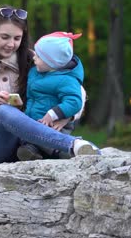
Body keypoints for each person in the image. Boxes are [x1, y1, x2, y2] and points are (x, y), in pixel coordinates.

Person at [0, 6, 100, 164]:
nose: (11, 44)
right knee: (3, 111)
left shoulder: (34, 59)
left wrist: (67, 116)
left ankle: (58, 148)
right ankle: (72, 145)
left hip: (30, 144)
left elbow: (77, 91)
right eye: (5, 37)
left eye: (17, 38)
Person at [17, 32, 86, 161]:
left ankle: (62, 152)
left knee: (49, 140)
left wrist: (53, 114)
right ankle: (31, 151)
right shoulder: (37, 71)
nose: (34, 58)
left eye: (38, 56)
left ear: (52, 62)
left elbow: (74, 101)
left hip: (55, 124)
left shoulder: (66, 80)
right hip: (34, 121)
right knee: (29, 141)